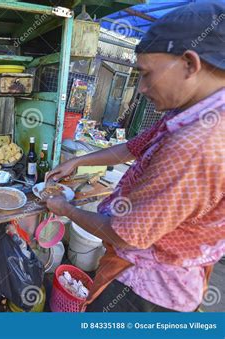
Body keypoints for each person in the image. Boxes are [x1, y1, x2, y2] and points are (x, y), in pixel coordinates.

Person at [45, 2, 224, 312]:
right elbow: (131, 147)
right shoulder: (194, 113)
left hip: (146, 291)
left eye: (146, 74)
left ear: (190, 64)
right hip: (174, 276)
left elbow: (125, 236)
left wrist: (65, 208)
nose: (140, 88)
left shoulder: (197, 142)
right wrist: (77, 161)